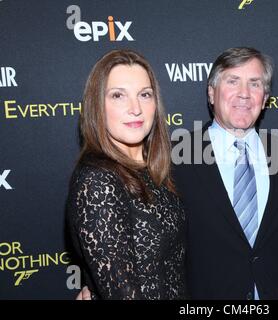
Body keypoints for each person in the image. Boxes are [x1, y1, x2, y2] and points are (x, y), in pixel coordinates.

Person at [172, 47, 278, 299]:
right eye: (233, 81)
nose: (244, 94)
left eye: (255, 84)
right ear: (211, 93)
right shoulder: (174, 157)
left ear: (265, 99)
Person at [66, 49, 186, 300]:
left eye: (144, 94)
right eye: (118, 95)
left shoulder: (156, 169)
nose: (136, 109)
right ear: (97, 105)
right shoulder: (97, 181)